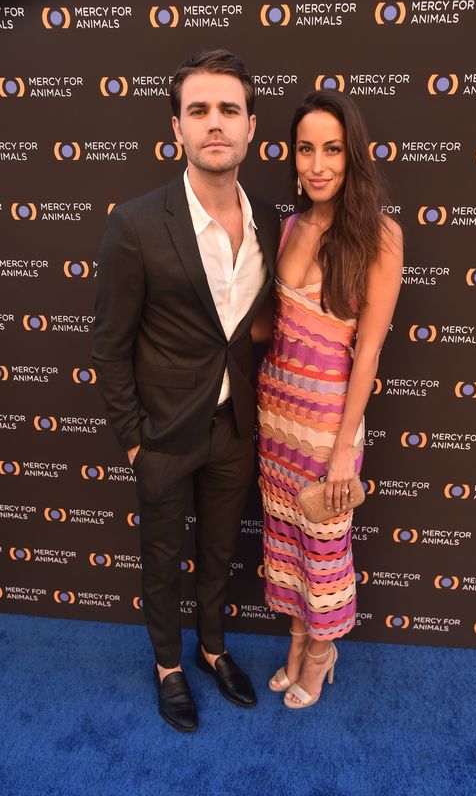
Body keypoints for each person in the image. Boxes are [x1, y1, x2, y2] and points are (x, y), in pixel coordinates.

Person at [92, 49, 279, 732]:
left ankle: (212, 648)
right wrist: (135, 442)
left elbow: (249, 326)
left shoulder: (267, 217)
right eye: (198, 110)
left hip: (234, 429)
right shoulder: (137, 223)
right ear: (176, 128)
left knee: (221, 551)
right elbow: (109, 345)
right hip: (163, 436)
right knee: (163, 559)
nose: (214, 123)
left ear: (251, 125)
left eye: (228, 109)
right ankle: (168, 665)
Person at [257, 90, 403, 709]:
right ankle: (297, 639)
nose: (317, 164)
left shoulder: (381, 236)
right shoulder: (290, 225)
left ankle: (323, 650)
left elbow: (367, 354)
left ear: (353, 156)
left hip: (328, 428)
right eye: (306, 149)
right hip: (274, 415)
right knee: (285, 540)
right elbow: (270, 328)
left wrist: (344, 450)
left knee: (323, 543)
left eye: (333, 150)